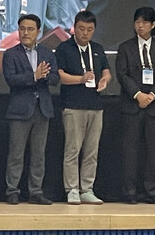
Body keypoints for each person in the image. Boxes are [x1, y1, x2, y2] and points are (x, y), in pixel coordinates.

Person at [115, 7, 155, 204]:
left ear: (153, 25)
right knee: (130, 151)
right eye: (137, 22)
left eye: (144, 22)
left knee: (153, 152)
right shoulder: (125, 48)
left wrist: (152, 95)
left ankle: (151, 191)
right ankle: (129, 191)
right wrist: (138, 95)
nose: (140, 26)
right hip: (131, 106)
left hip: (154, 107)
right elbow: (122, 75)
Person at [2, 13, 59, 205]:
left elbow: (55, 79)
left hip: (42, 109)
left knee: (38, 155)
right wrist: (34, 76)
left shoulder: (47, 53)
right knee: (16, 154)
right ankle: (12, 190)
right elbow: (11, 79)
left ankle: (35, 191)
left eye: (30, 29)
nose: (25, 33)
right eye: (22, 29)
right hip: (20, 110)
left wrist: (44, 76)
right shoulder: (11, 54)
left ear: (38, 32)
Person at [56, 10, 111, 205]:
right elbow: (59, 76)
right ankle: (71, 189)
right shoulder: (64, 48)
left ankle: (87, 188)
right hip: (73, 105)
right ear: (74, 28)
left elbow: (106, 71)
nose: (85, 33)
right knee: (72, 150)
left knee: (91, 151)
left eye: (89, 29)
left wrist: (105, 80)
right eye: (81, 29)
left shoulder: (97, 48)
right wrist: (80, 79)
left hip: (95, 105)